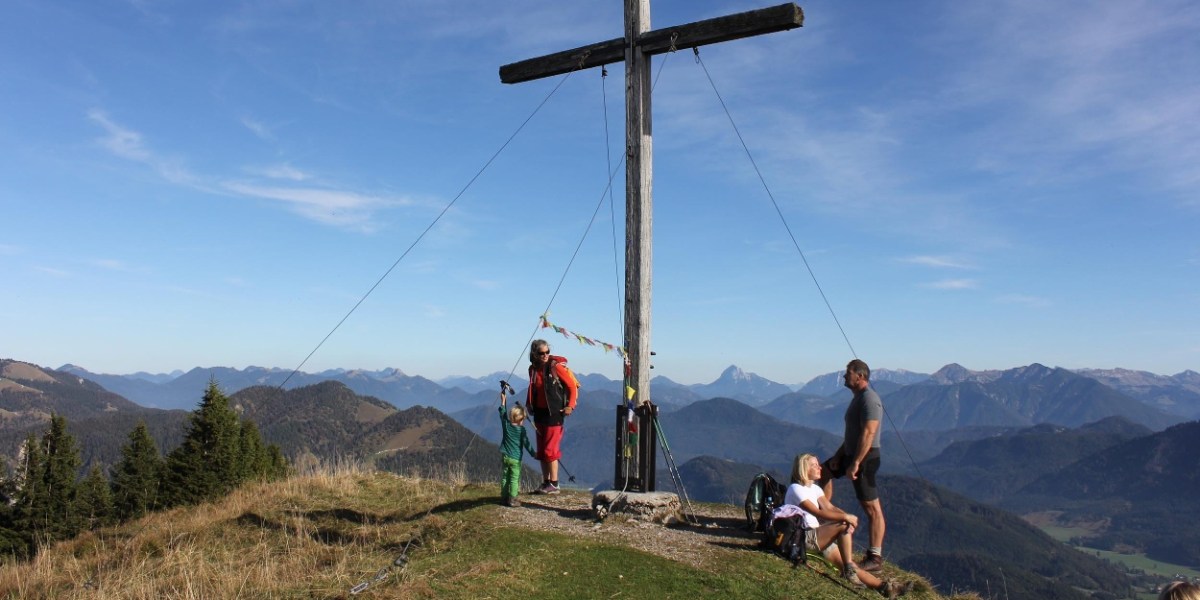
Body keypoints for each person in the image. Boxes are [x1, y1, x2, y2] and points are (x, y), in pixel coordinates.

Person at [788, 453, 911, 598]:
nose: (819, 467)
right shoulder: (796, 488)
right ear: (804, 468)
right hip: (802, 536)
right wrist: (845, 519)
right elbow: (817, 512)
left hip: (817, 536)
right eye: (814, 465)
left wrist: (847, 517)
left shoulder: (815, 489)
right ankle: (848, 571)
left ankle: (885, 587)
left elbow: (830, 508)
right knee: (843, 528)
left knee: (849, 562)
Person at [819, 358, 887, 572]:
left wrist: (856, 462)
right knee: (822, 472)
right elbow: (854, 435)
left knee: (872, 507)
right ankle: (824, 517)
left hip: (865, 457)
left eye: (848, 373)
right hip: (851, 453)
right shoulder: (858, 398)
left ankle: (875, 557)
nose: (844, 376)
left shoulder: (869, 399)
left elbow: (868, 433)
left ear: (860, 376)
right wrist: (839, 455)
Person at [525, 339, 578, 494]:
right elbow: (532, 387)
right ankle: (546, 482)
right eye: (542, 353)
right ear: (535, 354)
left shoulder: (555, 367)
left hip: (554, 413)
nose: (545, 355)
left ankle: (554, 484)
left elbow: (572, 386)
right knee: (542, 450)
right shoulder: (532, 369)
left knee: (550, 450)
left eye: (547, 352)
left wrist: (570, 406)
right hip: (539, 412)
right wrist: (529, 404)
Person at [498, 388, 536, 507]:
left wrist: (503, 401)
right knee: (514, 478)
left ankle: (504, 497)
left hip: (505, 456)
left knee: (505, 477)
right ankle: (512, 499)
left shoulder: (506, 425)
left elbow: (502, 413)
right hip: (516, 458)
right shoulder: (522, 431)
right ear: (521, 420)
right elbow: (526, 443)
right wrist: (533, 453)